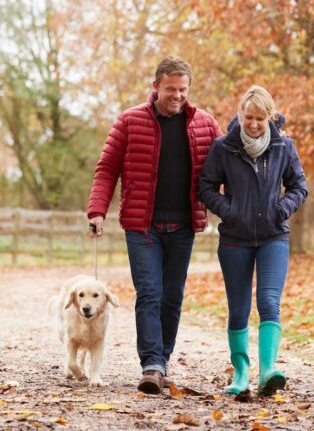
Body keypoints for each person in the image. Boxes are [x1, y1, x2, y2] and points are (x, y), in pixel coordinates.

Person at [87, 56, 222, 394]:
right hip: (142, 226)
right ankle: (151, 364)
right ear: (156, 86)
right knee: (149, 292)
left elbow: (228, 163)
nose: (177, 96)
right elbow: (107, 169)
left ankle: (162, 361)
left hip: (183, 227)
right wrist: (97, 211)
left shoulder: (204, 124)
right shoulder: (129, 121)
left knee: (172, 297)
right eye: (171, 89)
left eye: (183, 90)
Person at [198, 85, 308, 396]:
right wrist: (228, 211)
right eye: (249, 117)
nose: (254, 124)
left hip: (274, 237)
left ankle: (268, 370)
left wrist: (281, 210)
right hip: (234, 239)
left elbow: (299, 187)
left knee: (269, 302)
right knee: (238, 308)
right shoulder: (224, 148)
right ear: (240, 115)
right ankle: (241, 372)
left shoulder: (283, 147)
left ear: (270, 117)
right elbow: (205, 187)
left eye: (260, 118)